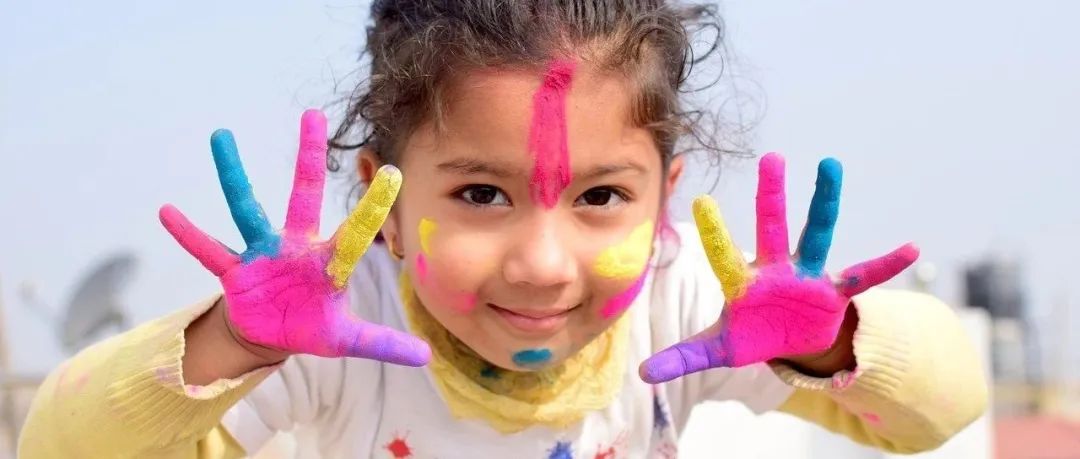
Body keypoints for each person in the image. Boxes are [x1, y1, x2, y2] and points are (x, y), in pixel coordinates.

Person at [19, 1, 987, 457]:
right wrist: (234, 341)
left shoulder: (689, 302)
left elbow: (945, 409)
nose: (543, 263)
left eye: (601, 197)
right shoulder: (336, 329)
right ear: (385, 201)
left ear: (665, 198)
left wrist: (829, 343)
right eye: (482, 194)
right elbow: (59, 449)